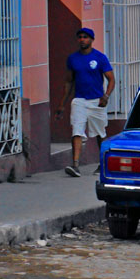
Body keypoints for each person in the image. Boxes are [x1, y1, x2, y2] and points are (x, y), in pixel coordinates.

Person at [56, 27, 113, 177]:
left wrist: (106, 96)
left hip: (97, 101)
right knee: (77, 131)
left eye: (85, 37)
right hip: (79, 100)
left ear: (92, 40)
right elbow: (69, 81)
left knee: (100, 133)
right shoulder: (73, 59)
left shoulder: (100, 58)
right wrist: (62, 104)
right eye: (80, 37)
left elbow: (111, 79)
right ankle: (75, 165)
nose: (82, 39)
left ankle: (103, 164)